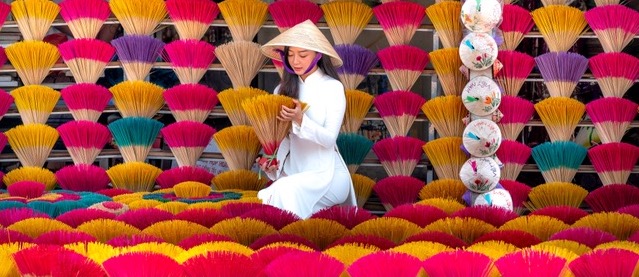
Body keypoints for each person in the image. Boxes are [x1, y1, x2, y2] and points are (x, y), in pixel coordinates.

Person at [256, 20, 357, 219]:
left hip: (328, 176)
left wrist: (301, 120)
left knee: (285, 191)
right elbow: (284, 141)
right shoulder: (281, 91)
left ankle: (292, 243)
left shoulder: (332, 88)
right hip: (294, 174)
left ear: (318, 56)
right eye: (290, 55)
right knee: (282, 190)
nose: (296, 61)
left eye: (303, 55)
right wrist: (271, 162)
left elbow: (329, 139)